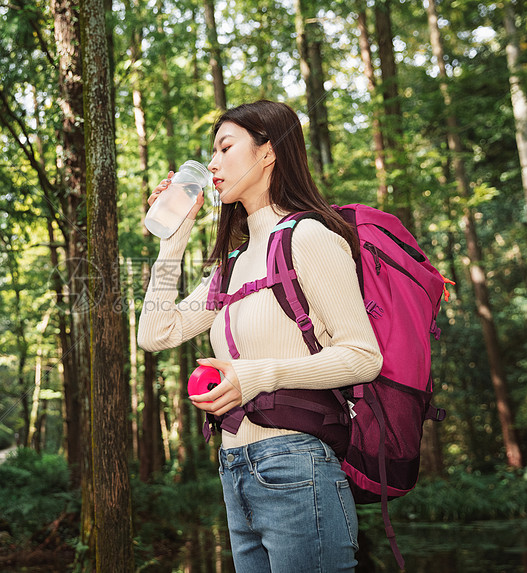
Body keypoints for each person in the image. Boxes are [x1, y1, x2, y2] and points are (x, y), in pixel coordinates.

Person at [137, 100, 383, 572]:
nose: (212, 163)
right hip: (234, 470)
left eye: (225, 147)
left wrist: (256, 376)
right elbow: (155, 332)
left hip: (297, 463)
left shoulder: (309, 237)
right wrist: (174, 241)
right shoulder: (232, 267)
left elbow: (362, 356)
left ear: (268, 152)